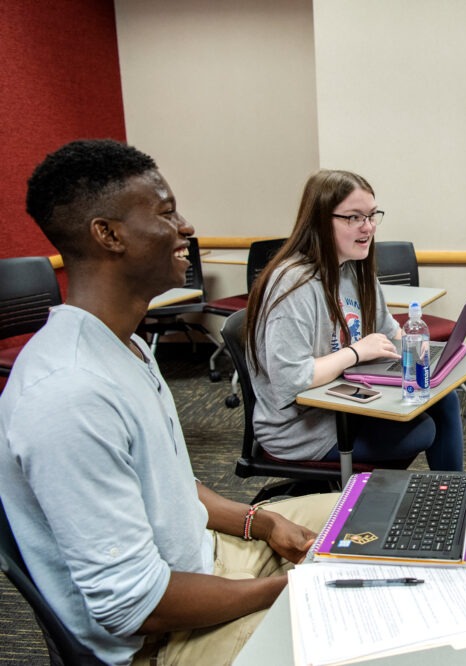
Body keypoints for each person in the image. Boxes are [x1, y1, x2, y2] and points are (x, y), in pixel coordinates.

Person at [0, 139, 339, 666]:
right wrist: (290, 590)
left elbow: (170, 489)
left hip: (207, 564)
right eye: (166, 212)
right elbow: (136, 605)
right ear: (107, 235)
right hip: (162, 639)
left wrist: (262, 523)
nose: (185, 227)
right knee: (358, 625)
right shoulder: (69, 394)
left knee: (372, 518)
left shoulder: (126, 344)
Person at [245, 170, 462, 470]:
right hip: (303, 428)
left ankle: (454, 503)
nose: (369, 227)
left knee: (444, 400)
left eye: (372, 215)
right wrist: (357, 352)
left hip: (345, 403)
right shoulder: (292, 284)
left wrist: (429, 357)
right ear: (321, 220)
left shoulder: (354, 269)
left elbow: (389, 335)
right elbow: (292, 380)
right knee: (420, 429)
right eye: (354, 217)